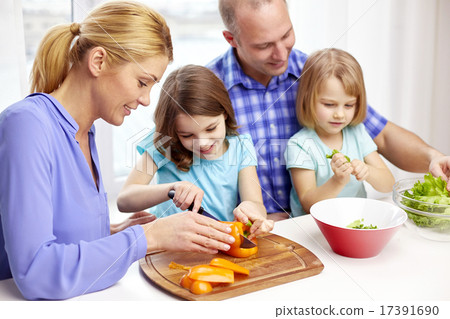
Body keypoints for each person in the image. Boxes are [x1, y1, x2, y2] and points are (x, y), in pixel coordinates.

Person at [0, 1, 236, 300]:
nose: (147, 100)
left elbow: (61, 233)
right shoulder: (27, 125)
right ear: (98, 61)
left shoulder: (85, 132)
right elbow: (35, 271)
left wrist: (114, 231)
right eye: (142, 82)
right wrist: (146, 238)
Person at [207, 0, 450, 221]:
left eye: (287, 35)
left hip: (321, 225)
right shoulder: (208, 89)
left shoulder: (316, 74)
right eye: (264, 45)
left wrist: (432, 158)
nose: (281, 54)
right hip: (250, 228)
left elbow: (382, 134)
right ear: (232, 39)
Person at [117, 64, 274, 237]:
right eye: (187, 135)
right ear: (173, 131)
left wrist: (251, 208)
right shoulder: (163, 143)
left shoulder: (241, 147)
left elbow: (256, 204)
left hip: (218, 242)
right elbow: (124, 200)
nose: (203, 143)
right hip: (168, 244)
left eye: (211, 129)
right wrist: (172, 189)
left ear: (225, 114)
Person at [284, 48, 395, 216]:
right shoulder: (299, 145)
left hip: (355, 222)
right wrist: (337, 181)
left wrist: (368, 171)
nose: (340, 114)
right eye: (329, 104)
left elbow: (388, 184)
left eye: (349, 105)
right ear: (308, 100)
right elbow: (308, 203)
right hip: (312, 228)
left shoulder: (357, 132)